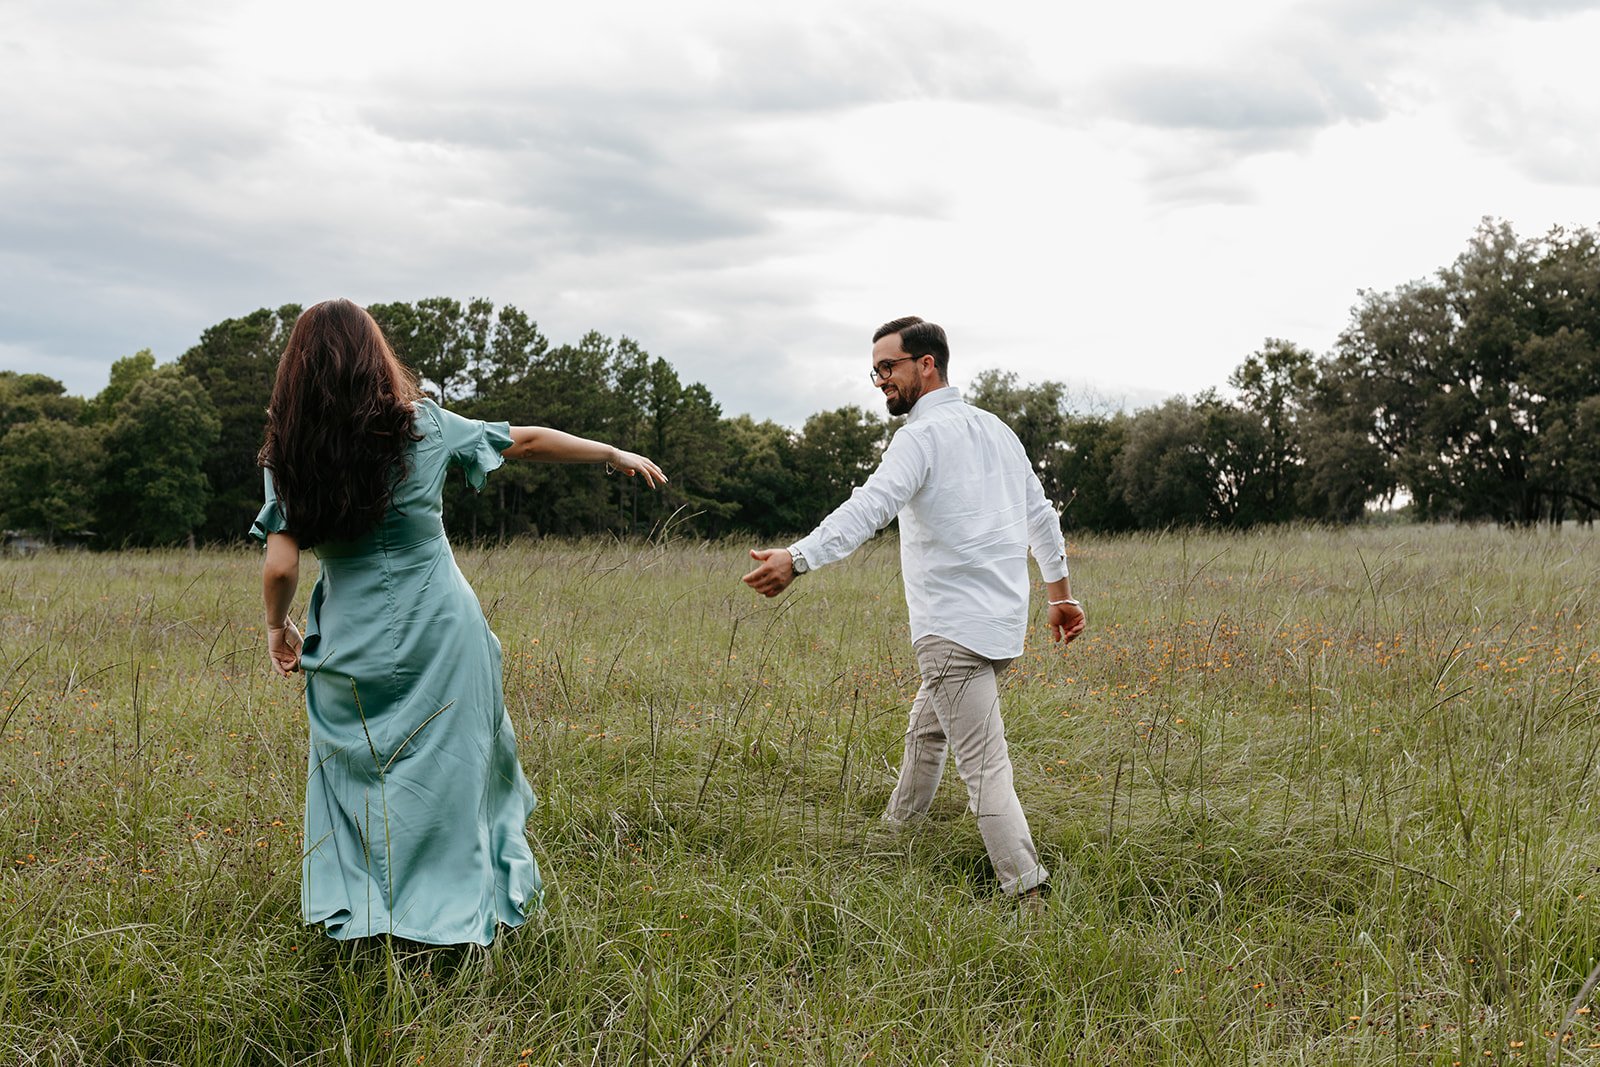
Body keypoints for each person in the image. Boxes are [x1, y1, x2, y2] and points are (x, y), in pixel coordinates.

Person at [253, 298, 666, 946]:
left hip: (350, 637)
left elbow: (280, 565)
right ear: (374, 357)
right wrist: (610, 451)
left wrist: (278, 628)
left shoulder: (288, 452)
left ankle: (371, 916)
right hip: (441, 629)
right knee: (452, 773)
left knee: (357, 775)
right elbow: (523, 440)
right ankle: (456, 911)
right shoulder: (421, 425)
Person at [742, 316, 1084, 899]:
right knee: (927, 732)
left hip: (951, 630)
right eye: (874, 370)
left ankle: (1027, 892)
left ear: (927, 364)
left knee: (984, 767)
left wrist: (797, 558)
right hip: (998, 629)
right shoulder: (997, 430)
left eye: (888, 367)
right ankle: (896, 838)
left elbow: (870, 506)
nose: (879, 380)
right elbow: (1042, 517)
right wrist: (1060, 597)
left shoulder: (921, 438)